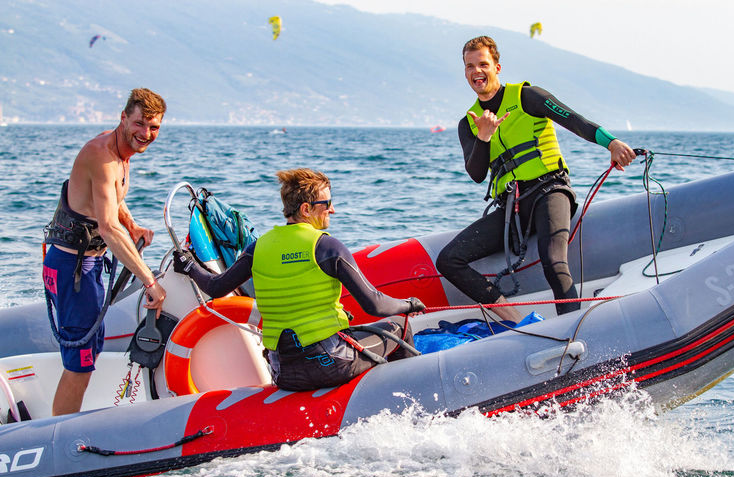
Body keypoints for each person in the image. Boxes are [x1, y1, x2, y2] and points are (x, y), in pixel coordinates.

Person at [436, 36, 636, 320]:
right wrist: (483, 136)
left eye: (483, 64)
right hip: (512, 208)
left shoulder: (526, 97)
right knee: (449, 259)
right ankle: (516, 320)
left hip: (550, 190)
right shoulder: (469, 122)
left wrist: (611, 143)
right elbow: (477, 174)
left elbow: (573, 119)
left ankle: (572, 330)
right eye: (469, 66)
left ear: (497, 67)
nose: (476, 71)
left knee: (553, 261)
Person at [173, 168, 425, 391]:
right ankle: (409, 400)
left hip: (284, 373)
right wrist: (410, 304)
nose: (332, 210)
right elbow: (376, 305)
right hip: (330, 365)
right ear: (306, 209)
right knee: (398, 328)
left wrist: (189, 265)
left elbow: (216, 287)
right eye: (327, 203)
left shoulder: (258, 248)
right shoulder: (327, 247)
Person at [42, 88, 168, 416]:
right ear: (123, 117)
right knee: (80, 360)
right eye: (140, 123)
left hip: (89, 265)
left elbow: (112, 200)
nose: (146, 133)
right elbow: (108, 227)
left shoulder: (120, 153)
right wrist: (149, 282)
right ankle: (58, 435)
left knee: (90, 349)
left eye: (154, 127)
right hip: (71, 267)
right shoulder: (102, 155)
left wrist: (134, 225)